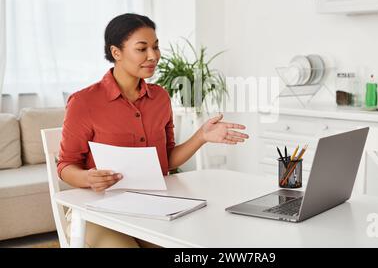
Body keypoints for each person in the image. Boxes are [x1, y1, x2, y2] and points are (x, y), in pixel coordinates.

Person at [58, 13, 249, 247]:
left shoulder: (159, 97)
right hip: (95, 209)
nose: (153, 56)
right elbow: (66, 165)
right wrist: (88, 178)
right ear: (116, 52)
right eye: (142, 48)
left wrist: (201, 137)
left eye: (156, 47)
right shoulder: (84, 102)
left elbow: (165, 161)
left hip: (153, 204)